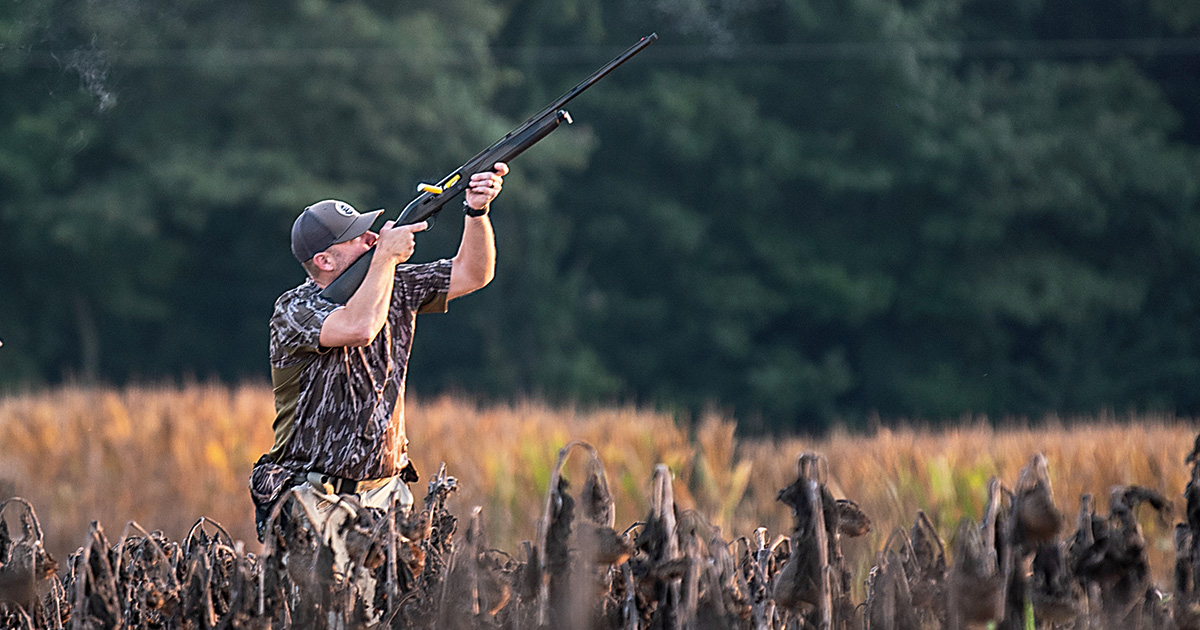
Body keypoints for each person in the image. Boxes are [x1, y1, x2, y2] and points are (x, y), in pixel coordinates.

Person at [248, 162, 509, 543]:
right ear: (324, 261)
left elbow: (474, 272)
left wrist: (476, 211)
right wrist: (386, 258)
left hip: (387, 497)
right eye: (357, 237)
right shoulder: (294, 310)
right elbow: (359, 327)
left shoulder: (396, 284)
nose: (372, 238)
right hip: (315, 500)